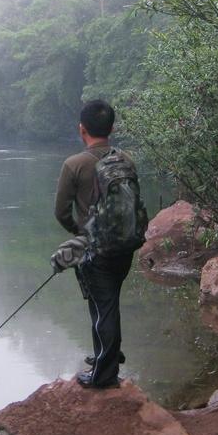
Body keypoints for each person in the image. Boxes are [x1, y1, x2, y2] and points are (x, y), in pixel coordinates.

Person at [54, 99, 136, 389]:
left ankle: (104, 375)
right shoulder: (126, 160)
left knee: (103, 308)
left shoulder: (74, 164)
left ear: (82, 129)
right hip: (125, 245)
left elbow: (61, 212)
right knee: (107, 303)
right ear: (112, 128)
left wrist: (80, 234)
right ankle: (108, 355)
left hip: (96, 249)